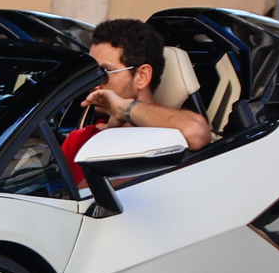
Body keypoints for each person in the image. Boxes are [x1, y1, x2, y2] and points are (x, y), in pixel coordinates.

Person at [66, 18, 212, 175]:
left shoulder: (168, 135)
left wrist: (125, 109)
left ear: (142, 76)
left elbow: (196, 133)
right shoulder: (78, 139)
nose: (93, 85)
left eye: (103, 73)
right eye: (90, 74)